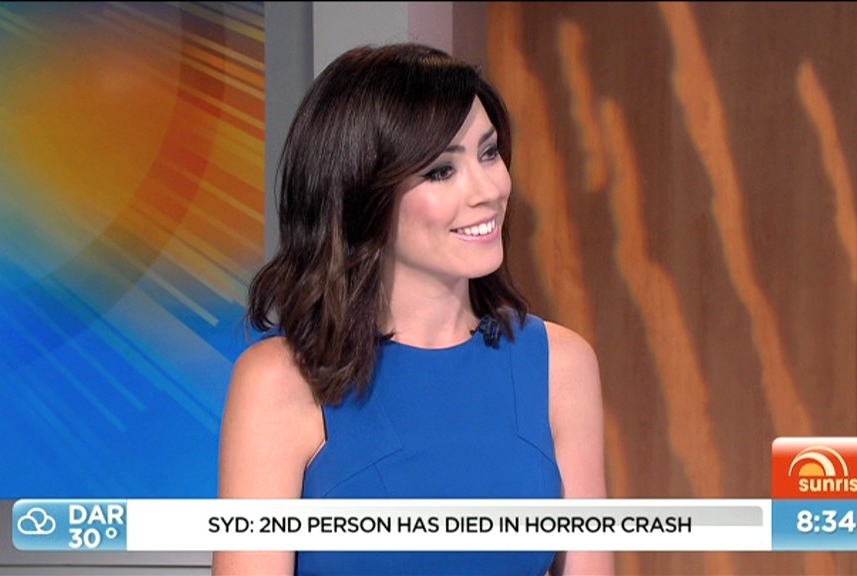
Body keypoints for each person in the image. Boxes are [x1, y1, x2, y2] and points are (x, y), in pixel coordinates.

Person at [212, 42, 611, 576]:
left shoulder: (560, 365)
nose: (489, 190)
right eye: (442, 171)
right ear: (363, 196)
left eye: (489, 152)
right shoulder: (280, 382)